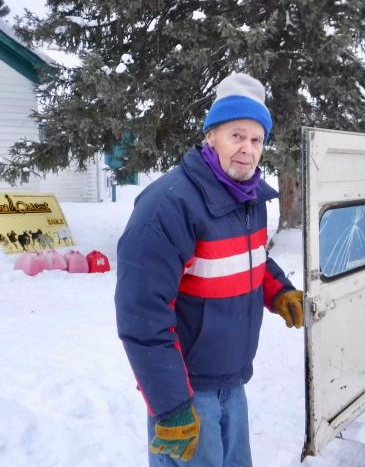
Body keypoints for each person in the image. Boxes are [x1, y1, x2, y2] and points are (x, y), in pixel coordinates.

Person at [115, 73, 303, 467]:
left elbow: (249, 257)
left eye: (256, 140)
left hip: (232, 382)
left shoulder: (248, 198)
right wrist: (171, 406)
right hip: (186, 392)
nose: (247, 150)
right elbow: (142, 316)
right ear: (211, 136)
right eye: (236, 136)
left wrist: (278, 290)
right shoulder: (168, 207)